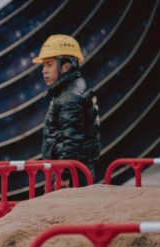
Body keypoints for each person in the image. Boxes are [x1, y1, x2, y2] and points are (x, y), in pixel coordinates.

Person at [32, 34, 100, 187]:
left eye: (49, 64)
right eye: (43, 65)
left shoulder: (70, 96)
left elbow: (72, 140)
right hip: (75, 169)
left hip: (72, 174)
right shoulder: (71, 90)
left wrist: (63, 175)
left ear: (65, 66)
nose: (44, 71)